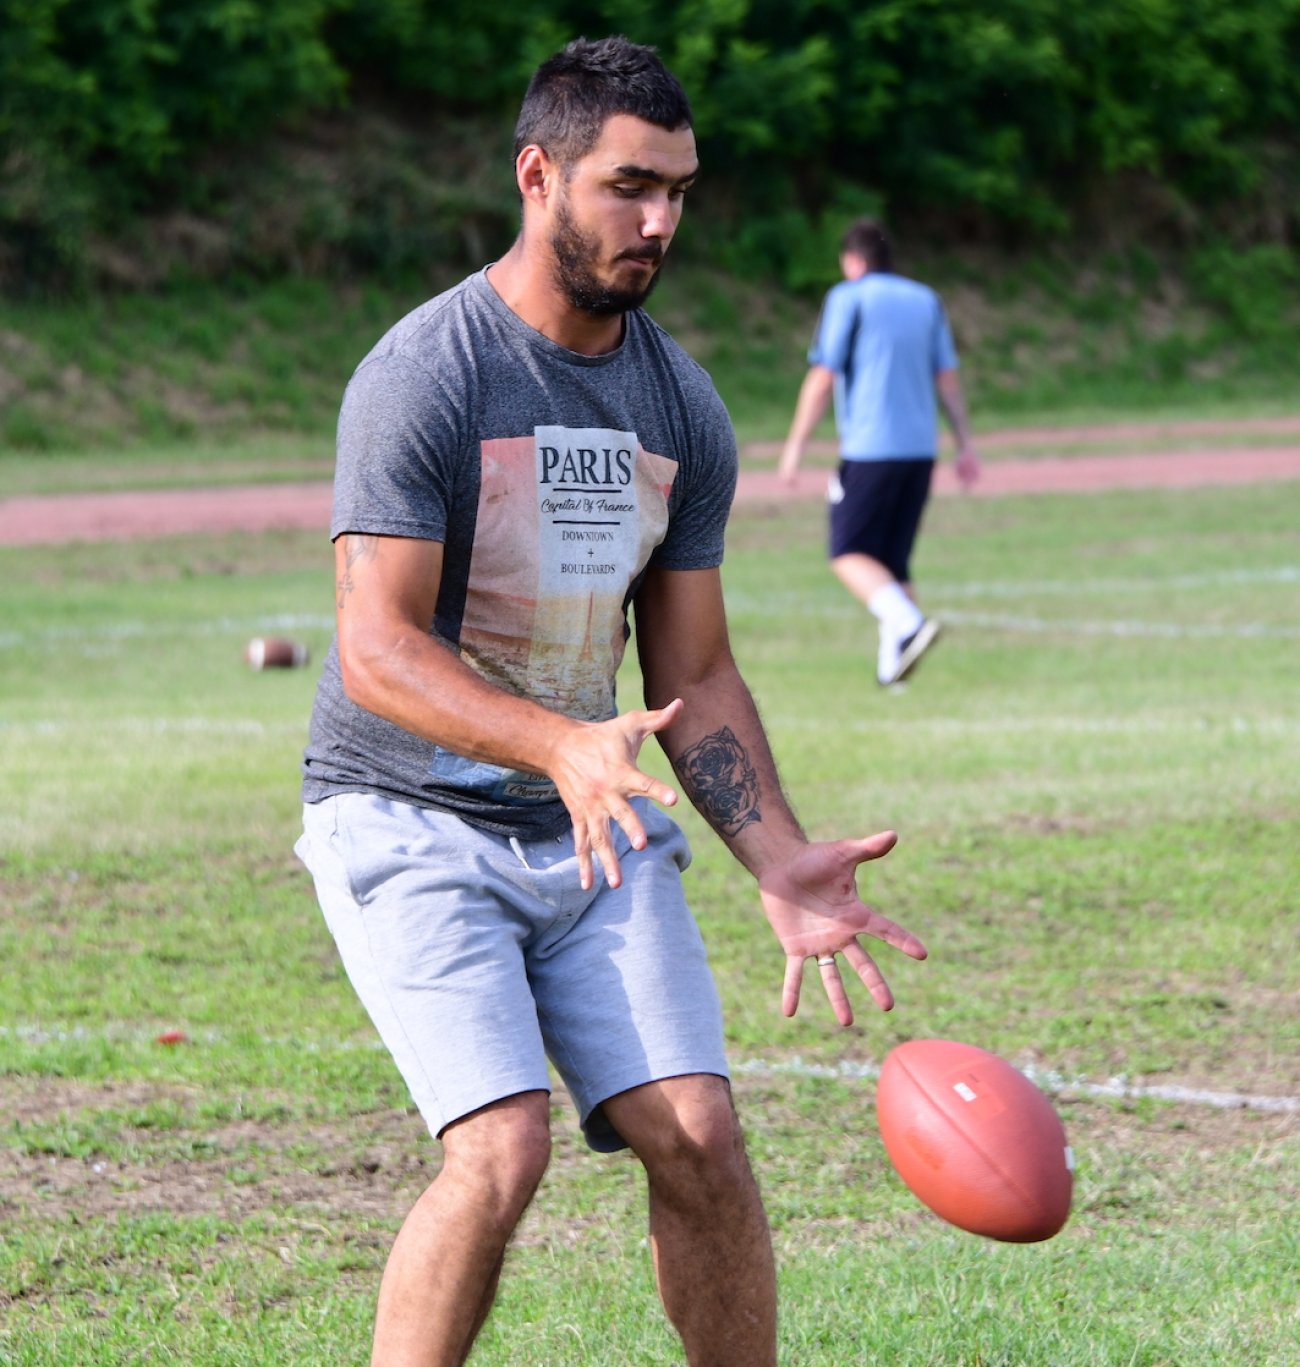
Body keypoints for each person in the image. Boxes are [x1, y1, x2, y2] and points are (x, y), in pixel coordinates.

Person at [295, 37, 928, 1367]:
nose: (660, 221)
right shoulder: (429, 373)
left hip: (593, 826)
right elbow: (374, 649)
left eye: (680, 191)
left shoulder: (678, 403)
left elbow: (690, 670)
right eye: (629, 186)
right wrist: (556, 742)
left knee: (699, 1134)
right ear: (539, 175)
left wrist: (778, 852)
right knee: (501, 1147)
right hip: (406, 817)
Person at [778, 219, 979, 687]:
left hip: (871, 449)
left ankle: (909, 626)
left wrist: (794, 447)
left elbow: (823, 376)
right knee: (892, 561)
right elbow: (946, 378)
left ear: (853, 261)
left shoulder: (848, 297)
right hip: (919, 451)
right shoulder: (926, 300)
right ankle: (895, 673)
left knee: (847, 550)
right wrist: (965, 443)